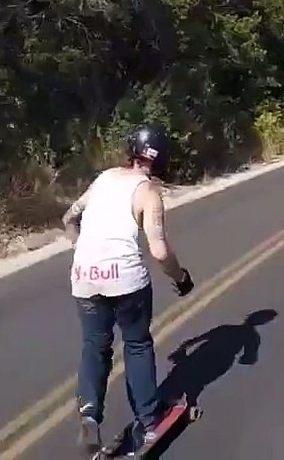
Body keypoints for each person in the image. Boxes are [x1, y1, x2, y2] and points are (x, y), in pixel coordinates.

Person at [62, 125, 196, 456]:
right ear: (161, 157)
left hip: (84, 275)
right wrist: (181, 278)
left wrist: (84, 250)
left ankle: (89, 415)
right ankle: (150, 419)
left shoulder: (104, 178)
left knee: (95, 346)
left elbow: (69, 217)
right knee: (136, 345)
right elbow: (160, 251)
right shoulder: (148, 191)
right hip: (124, 279)